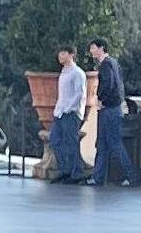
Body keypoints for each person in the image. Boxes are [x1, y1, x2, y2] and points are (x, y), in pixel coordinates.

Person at [83, 38, 134, 187]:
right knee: (104, 143)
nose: (91, 51)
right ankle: (98, 176)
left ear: (101, 48)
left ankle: (130, 175)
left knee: (112, 143)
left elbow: (108, 84)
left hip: (108, 109)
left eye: (93, 48)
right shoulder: (114, 63)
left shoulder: (105, 65)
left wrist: (100, 99)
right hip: (114, 108)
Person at [49, 45, 90, 184]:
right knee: (55, 140)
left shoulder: (77, 73)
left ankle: (76, 173)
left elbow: (79, 94)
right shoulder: (63, 72)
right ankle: (65, 170)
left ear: (71, 54)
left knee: (71, 143)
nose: (60, 56)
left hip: (71, 113)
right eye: (59, 53)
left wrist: (68, 108)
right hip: (60, 112)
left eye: (63, 53)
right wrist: (58, 109)